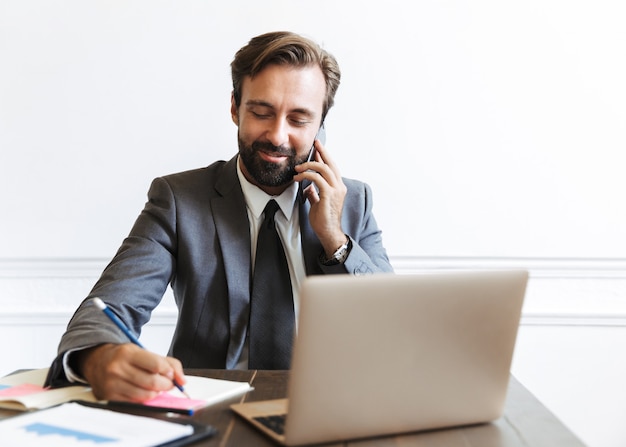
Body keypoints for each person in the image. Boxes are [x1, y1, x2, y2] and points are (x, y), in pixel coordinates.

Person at [45, 31, 393, 402]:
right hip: (211, 408)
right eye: (261, 112)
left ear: (322, 123)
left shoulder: (353, 202)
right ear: (234, 108)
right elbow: (110, 305)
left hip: (333, 405)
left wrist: (335, 239)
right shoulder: (179, 200)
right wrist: (99, 357)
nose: (277, 135)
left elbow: (393, 326)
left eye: (299, 119)